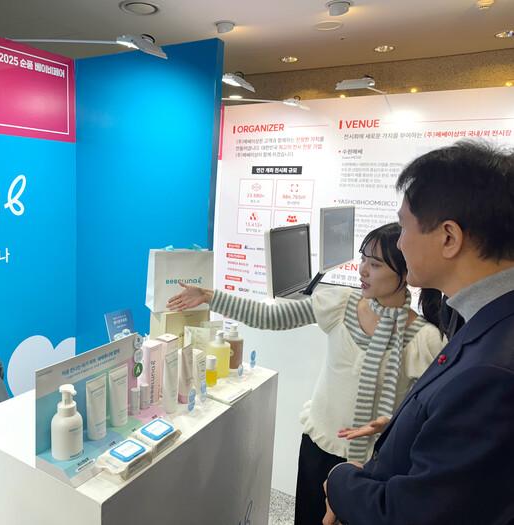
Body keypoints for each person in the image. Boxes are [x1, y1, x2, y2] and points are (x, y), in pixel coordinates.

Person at [167, 222, 446, 525]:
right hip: (318, 446)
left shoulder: (425, 339)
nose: (363, 270)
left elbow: (431, 417)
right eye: (363, 259)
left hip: (373, 464)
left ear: (405, 273)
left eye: (375, 264)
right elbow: (270, 316)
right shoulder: (341, 304)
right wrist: (209, 296)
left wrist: (392, 424)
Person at [323, 141, 514, 525]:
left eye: (405, 227)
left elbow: (413, 514)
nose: (400, 243)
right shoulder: (476, 316)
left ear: (449, 238)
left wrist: (341, 480)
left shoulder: (491, 369)